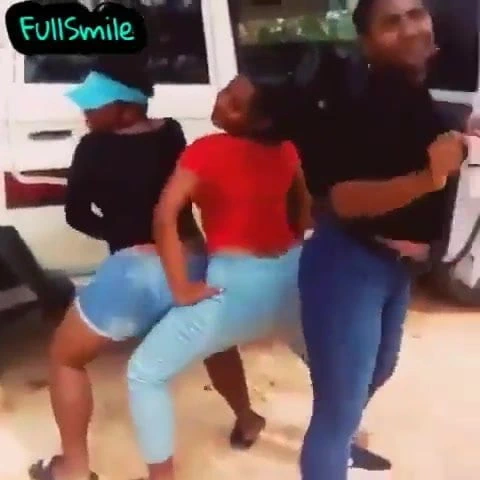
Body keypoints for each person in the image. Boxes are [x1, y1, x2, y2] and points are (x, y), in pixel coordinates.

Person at [29, 56, 264, 480]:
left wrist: (120, 234)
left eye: (94, 104)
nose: (84, 112)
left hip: (135, 273)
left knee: (65, 358)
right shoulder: (171, 132)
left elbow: (76, 215)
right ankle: (247, 419)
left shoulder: (92, 148)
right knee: (215, 343)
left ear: (126, 109)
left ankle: (73, 469)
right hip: (192, 261)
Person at [298, 0, 467, 479]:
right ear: (367, 43)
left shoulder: (412, 93)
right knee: (335, 411)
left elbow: (411, 143)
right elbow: (343, 199)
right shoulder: (356, 101)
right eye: (392, 22)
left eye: (416, 13)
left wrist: (460, 135)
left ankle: (344, 444)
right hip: (348, 265)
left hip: (394, 269)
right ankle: (333, 454)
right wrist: (427, 179)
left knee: (377, 371)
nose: (410, 28)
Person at [126, 74, 311, 480]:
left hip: (235, 286)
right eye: (226, 90)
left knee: (144, 373)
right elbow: (303, 204)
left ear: (260, 121)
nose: (221, 100)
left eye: (235, 103)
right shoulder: (287, 149)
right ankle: (335, 439)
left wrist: (180, 287)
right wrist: (297, 240)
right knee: (330, 366)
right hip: (290, 277)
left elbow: (165, 215)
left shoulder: (207, 150)